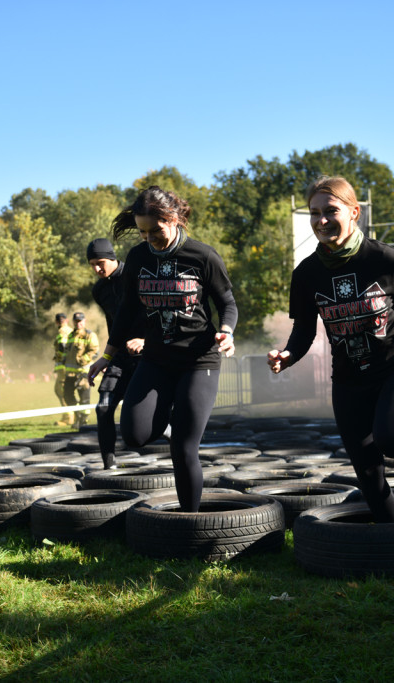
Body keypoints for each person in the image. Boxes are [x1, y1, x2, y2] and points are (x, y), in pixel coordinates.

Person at [266, 176, 394, 524]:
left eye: (331, 211)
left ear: (354, 212)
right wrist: (288, 355)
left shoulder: (385, 259)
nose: (321, 220)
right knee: (368, 471)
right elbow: (304, 330)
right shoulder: (306, 274)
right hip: (350, 378)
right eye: (315, 213)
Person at [88, 186, 237, 512]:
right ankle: (172, 409)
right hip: (156, 359)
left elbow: (227, 302)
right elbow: (126, 313)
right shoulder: (139, 258)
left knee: (183, 449)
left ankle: (190, 520)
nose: (149, 238)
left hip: (198, 360)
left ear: (175, 219)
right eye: (142, 232)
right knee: (135, 435)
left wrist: (226, 332)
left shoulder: (202, 255)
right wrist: (108, 355)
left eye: (155, 230)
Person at [87, 237, 146, 469]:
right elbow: (114, 325)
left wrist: (145, 340)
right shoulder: (99, 290)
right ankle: (108, 467)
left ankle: (173, 437)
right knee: (103, 407)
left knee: (138, 415)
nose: (96, 269)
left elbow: (159, 313)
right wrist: (106, 357)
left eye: (100, 262)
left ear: (112, 257)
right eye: (91, 264)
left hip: (149, 353)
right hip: (120, 355)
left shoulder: (136, 276)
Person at [62, 312, 100, 428]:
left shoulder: (90, 335)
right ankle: (78, 416)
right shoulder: (71, 335)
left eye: (80, 321)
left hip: (84, 373)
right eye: (76, 321)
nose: (78, 323)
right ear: (73, 322)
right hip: (70, 373)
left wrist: (83, 359)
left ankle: (83, 421)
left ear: (84, 321)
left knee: (84, 399)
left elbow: (95, 352)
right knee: (67, 395)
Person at [51, 312, 74, 426]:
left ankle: (68, 418)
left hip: (63, 367)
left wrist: (60, 358)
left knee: (61, 391)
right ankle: (76, 415)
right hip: (70, 366)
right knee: (65, 391)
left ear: (56, 322)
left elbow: (62, 346)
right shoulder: (71, 330)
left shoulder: (62, 331)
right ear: (67, 320)